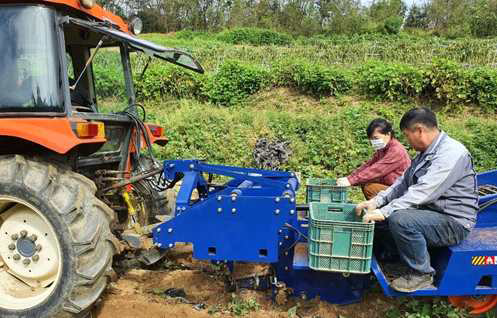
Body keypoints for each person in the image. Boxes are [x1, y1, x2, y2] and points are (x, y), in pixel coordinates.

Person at [356, 107, 478, 293]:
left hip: (453, 221)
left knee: (400, 219)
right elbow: (402, 182)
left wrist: (385, 211)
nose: (407, 141)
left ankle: (422, 274)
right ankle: (396, 257)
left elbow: (423, 192)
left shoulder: (451, 153)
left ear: (419, 130)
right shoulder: (425, 153)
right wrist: (377, 202)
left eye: (407, 135)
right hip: (431, 213)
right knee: (385, 216)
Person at [337, 118, 411, 200]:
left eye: (376, 138)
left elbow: (377, 169)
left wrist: (351, 180)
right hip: (391, 185)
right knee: (365, 182)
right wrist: (350, 178)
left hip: (401, 190)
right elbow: (369, 165)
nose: (373, 141)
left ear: (388, 134)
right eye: (371, 139)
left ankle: (380, 210)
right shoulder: (383, 149)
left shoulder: (396, 151)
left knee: (370, 188)